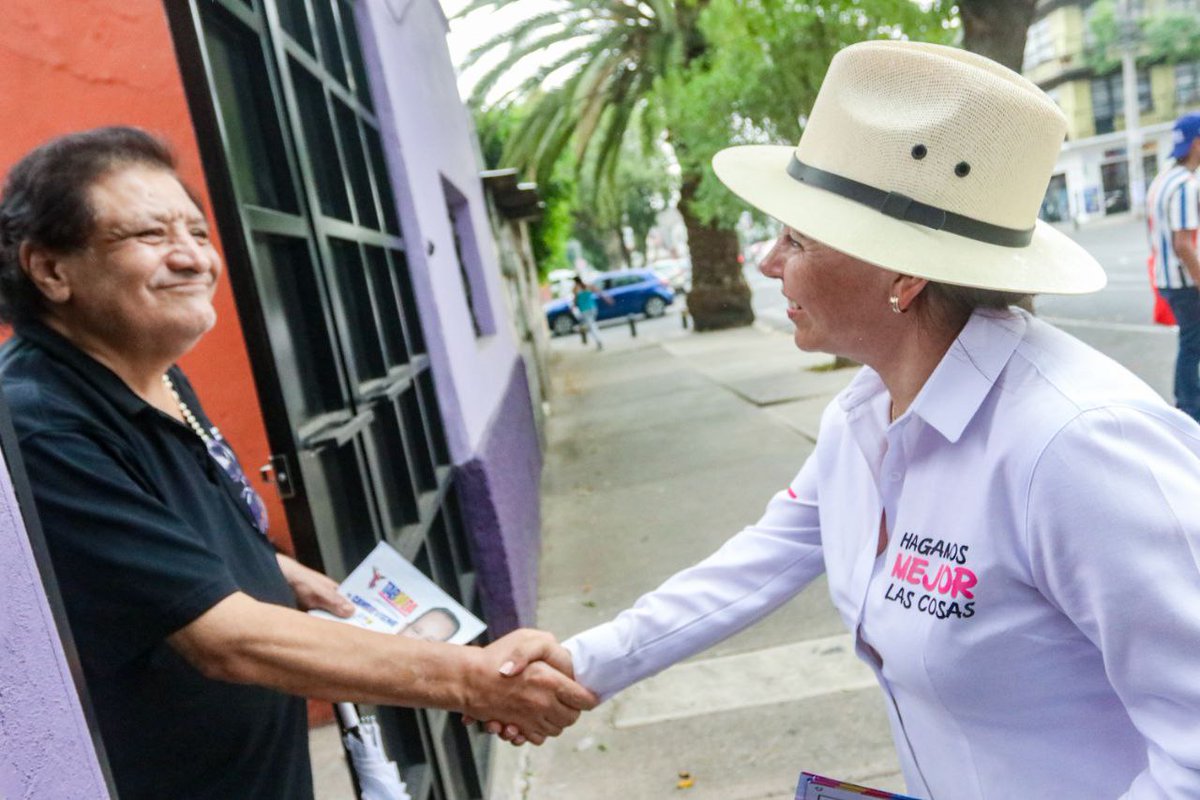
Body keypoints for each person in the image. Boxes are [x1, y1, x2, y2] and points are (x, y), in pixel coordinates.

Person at [482, 41, 1200, 798]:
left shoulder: (1076, 447)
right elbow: (759, 559)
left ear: (903, 273)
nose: (766, 262)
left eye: (796, 239)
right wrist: (580, 663)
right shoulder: (866, 412)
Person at [0, 127, 595, 800]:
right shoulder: (39, 423)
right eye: (149, 235)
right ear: (51, 270)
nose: (193, 257)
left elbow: (161, 533)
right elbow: (227, 641)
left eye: (197, 232)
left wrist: (277, 571)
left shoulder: (151, 369)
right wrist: (471, 679)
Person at [1146, 111, 1200, 423]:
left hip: (1166, 277)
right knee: (1192, 345)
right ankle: (1189, 407)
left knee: (1191, 342)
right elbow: (1183, 244)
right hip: (1183, 282)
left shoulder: (1163, 178)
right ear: (1196, 144)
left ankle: (1188, 400)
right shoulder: (1185, 185)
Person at [572, 274, 611, 350]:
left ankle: (599, 341)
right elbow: (599, 292)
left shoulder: (575, 289)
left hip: (584, 310)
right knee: (592, 324)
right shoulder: (588, 286)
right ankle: (598, 340)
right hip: (593, 308)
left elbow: (575, 301)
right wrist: (607, 299)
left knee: (592, 326)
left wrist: (573, 306)